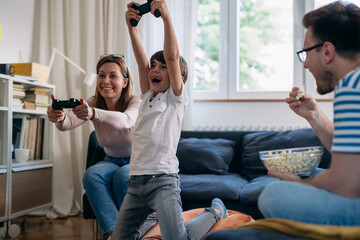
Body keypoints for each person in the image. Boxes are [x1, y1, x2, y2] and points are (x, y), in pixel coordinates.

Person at [111, 1, 228, 239]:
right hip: (135, 183)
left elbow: (173, 58)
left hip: (163, 182)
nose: (155, 70)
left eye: (162, 67)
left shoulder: (175, 99)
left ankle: (215, 211)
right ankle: (153, 216)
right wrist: (132, 28)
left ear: (179, 77)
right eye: (154, 66)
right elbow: (142, 63)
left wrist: (166, 18)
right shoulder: (146, 97)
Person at [258, 1, 360, 225]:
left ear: (327, 51)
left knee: (273, 195)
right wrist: (313, 115)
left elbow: (347, 183)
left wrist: (300, 184)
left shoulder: (352, 86)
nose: (305, 65)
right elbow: (351, 156)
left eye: (305, 53)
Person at [47, 54, 141, 239]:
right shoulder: (92, 102)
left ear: (125, 81)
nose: (106, 81)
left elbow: (126, 120)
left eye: (113, 76)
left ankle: (132, 231)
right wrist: (58, 117)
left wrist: (93, 113)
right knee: (92, 175)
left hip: (137, 161)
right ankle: (114, 233)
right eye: (101, 75)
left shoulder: (135, 101)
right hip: (111, 159)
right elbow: (67, 124)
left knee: (124, 176)